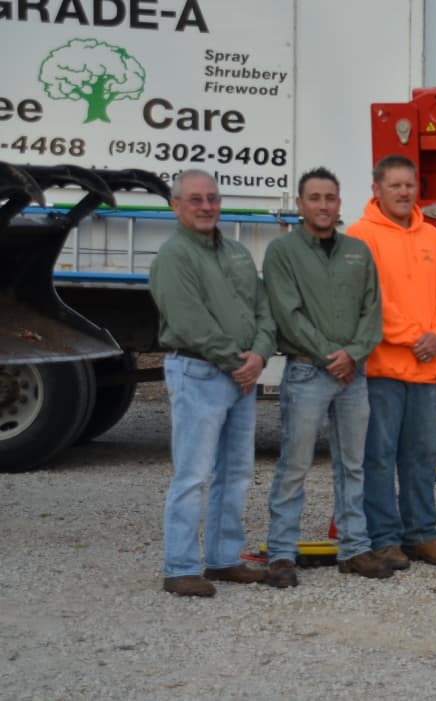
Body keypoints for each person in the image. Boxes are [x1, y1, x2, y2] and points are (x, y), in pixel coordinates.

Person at [260, 167, 392, 588]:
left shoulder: (358, 252)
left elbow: (372, 310)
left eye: (330, 198)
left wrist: (353, 354)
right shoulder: (282, 252)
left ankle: (354, 548)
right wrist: (330, 356)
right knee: (295, 464)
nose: (323, 205)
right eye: (314, 198)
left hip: (353, 374)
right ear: (300, 204)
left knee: (353, 464)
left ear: (339, 204)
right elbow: (287, 313)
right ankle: (281, 553)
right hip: (307, 372)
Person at [149, 170, 275, 596]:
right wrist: (239, 362)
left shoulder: (236, 252)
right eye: (195, 199)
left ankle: (223, 559)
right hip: (199, 373)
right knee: (192, 474)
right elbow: (189, 321)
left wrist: (260, 354)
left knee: (236, 473)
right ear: (175, 205)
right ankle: (180, 567)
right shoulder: (174, 257)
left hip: (240, 378)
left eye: (212, 198)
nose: (206, 206)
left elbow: (263, 308)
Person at [349, 155, 436, 569]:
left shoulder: (433, 237)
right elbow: (370, 299)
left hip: (425, 370)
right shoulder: (360, 236)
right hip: (381, 369)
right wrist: (415, 336)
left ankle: (421, 534)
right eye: (394, 185)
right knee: (379, 457)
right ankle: (384, 538)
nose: (403, 192)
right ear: (376, 190)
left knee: (421, 456)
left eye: (409, 185)